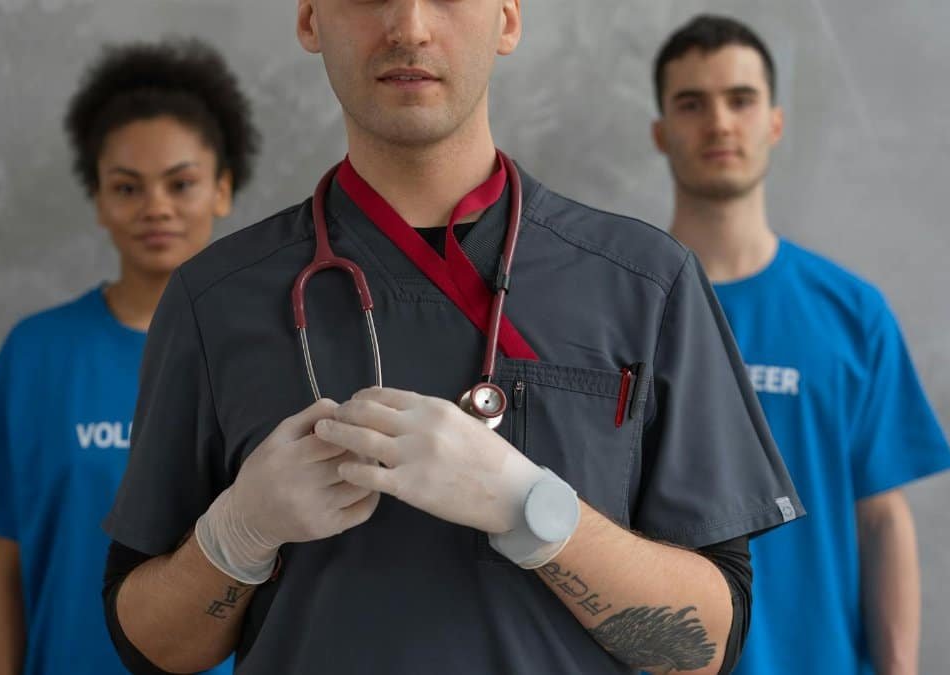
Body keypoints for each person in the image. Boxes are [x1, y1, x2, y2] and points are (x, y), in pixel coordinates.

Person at [102, 3, 802, 674]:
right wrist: (238, 535)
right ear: (310, 18)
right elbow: (151, 646)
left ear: (508, 16)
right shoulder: (215, 299)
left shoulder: (645, 285)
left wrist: (534, 510)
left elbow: (705, 644)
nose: (408, 26)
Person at [651, 15, 950, 675]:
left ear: (776, 123)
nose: (720, 123)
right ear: (660, 132)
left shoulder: (851, 313)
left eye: (741, 99)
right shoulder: (619, 306)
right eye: (691, 103)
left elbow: (881, 519)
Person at [0, 38, 258, 675]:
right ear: (98, 199)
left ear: (222, 189)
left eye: (180, 183)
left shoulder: (266, 355)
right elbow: (8, 563)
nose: (155, 206)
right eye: (128, 187)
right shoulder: (35, 354)